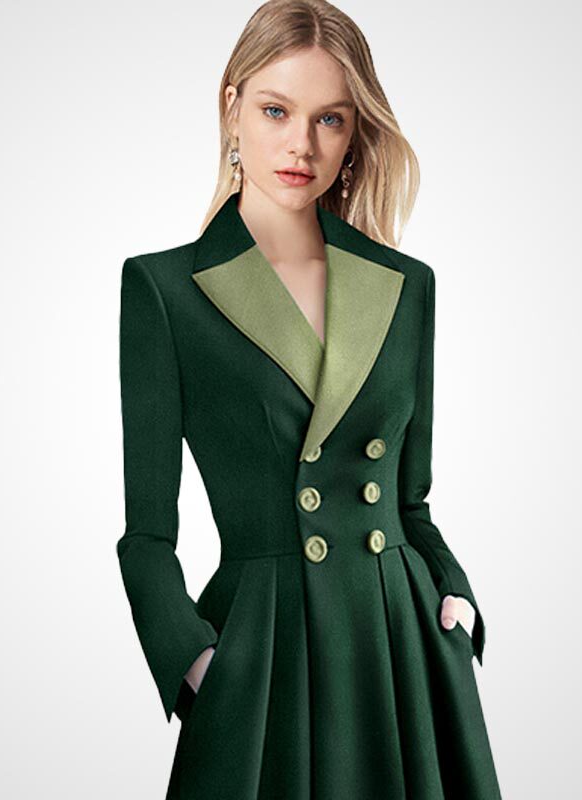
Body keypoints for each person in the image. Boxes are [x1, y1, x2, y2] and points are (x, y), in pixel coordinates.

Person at [117, 1, 502, 797]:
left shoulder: (406, 286)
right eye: (275, 111)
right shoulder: (164, 290)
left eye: (330, 118)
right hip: (264, 656)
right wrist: (194, 659)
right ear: (232, 108)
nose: (302, 144)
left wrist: (454, 593)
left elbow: (410, 501)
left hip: (404, 646)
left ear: (355, 132)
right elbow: (147, 535)